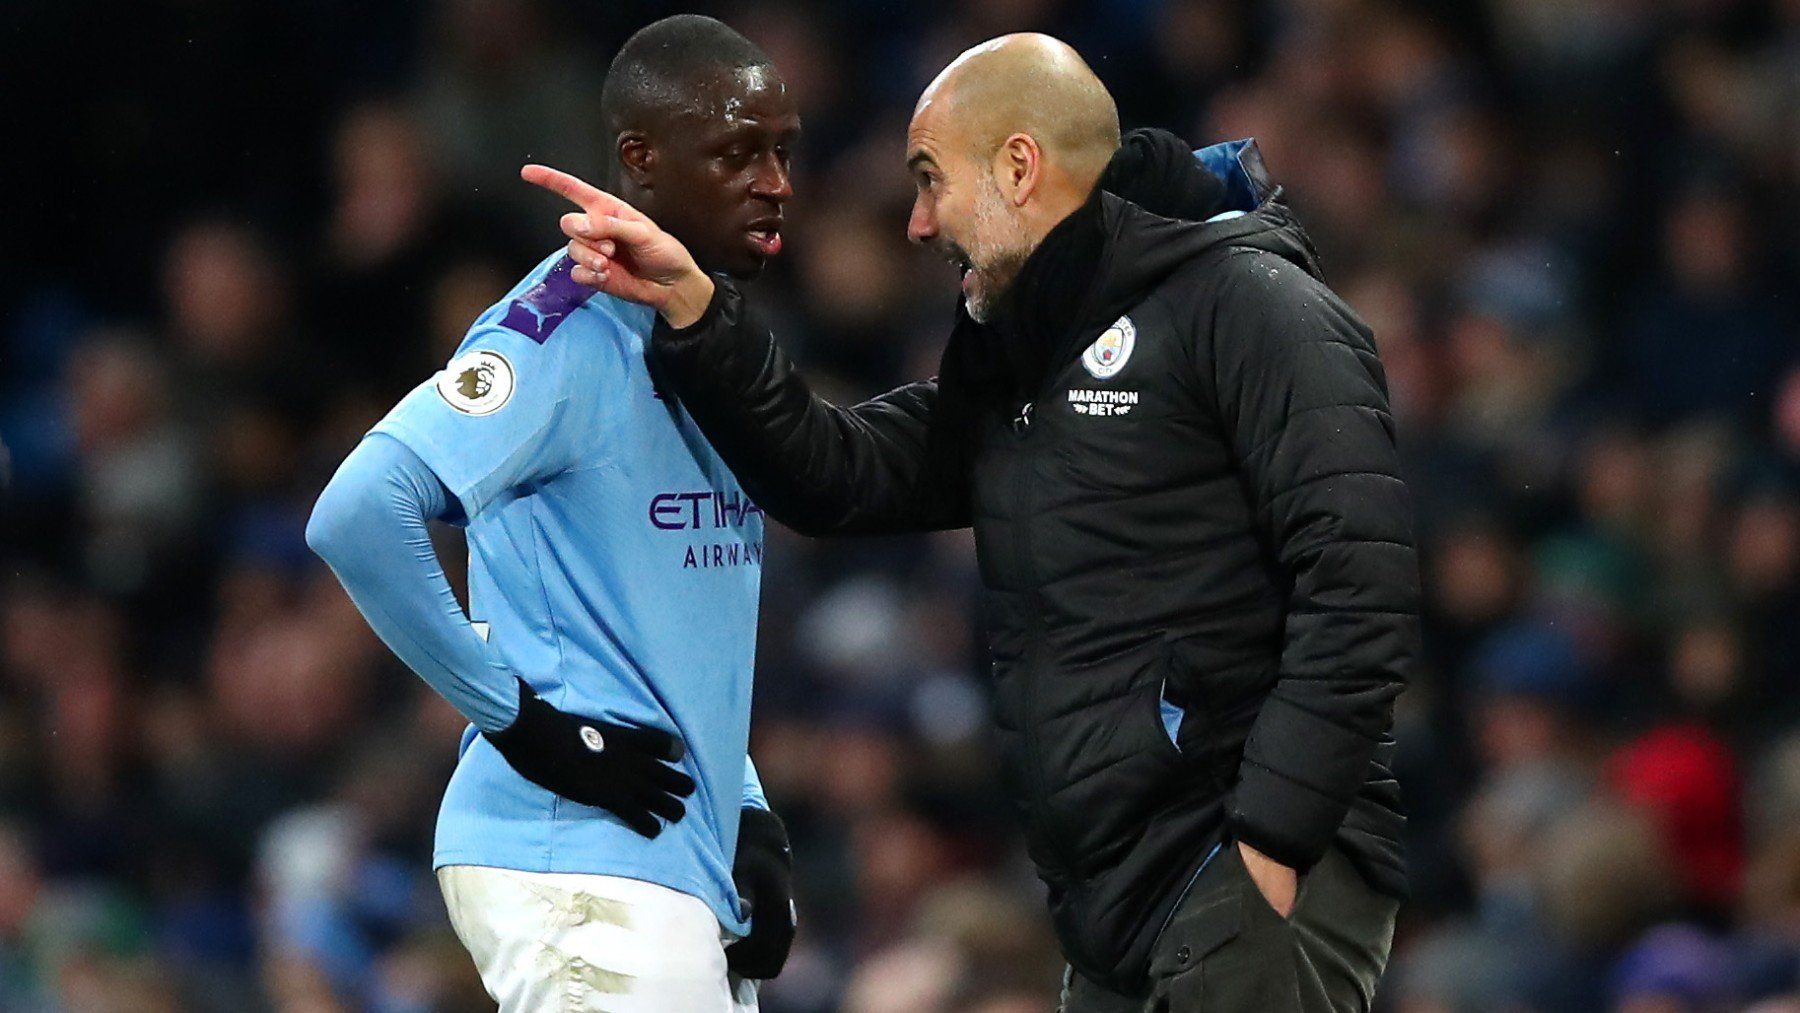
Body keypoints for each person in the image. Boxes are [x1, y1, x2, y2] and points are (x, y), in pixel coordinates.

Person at [527, 32, 1417, 1012]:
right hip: (1117, 904)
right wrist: (700, 312)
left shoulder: (1250, 306)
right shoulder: (1021, 371)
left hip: (1235, 867)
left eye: (930, 182)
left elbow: (1359, 581)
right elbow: (838, 472)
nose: (916, 224)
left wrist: (1273, 841)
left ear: (1020, 168)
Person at [305, 16, 799, 1012]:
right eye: (739, 153)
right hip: (573, 851)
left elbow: (667, 611)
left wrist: (740, 802)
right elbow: (358, 511)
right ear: (640, 161)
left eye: (784, 151)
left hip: (667, 852)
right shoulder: (563, 324)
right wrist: (519, 720)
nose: (775, 181)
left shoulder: (713, 338)